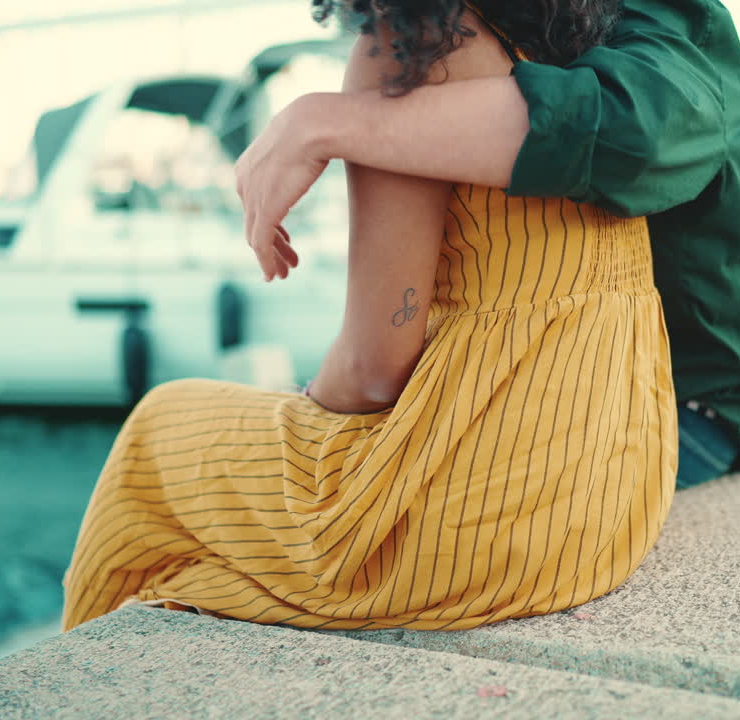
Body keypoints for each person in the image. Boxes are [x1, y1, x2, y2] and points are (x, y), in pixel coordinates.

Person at [62, 0, 676, 632]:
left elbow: (374, 369)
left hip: (493, 521)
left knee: (156, 433)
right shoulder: (580, 44)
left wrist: (305, 403)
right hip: (615, 493)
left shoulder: (413, 50)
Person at [238, 0, 740, 490]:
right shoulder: (534, 28)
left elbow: (641, 130)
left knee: (162, 427)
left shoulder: (417, 48)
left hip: (675, 413)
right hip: (605, 424)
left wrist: (323, 121)